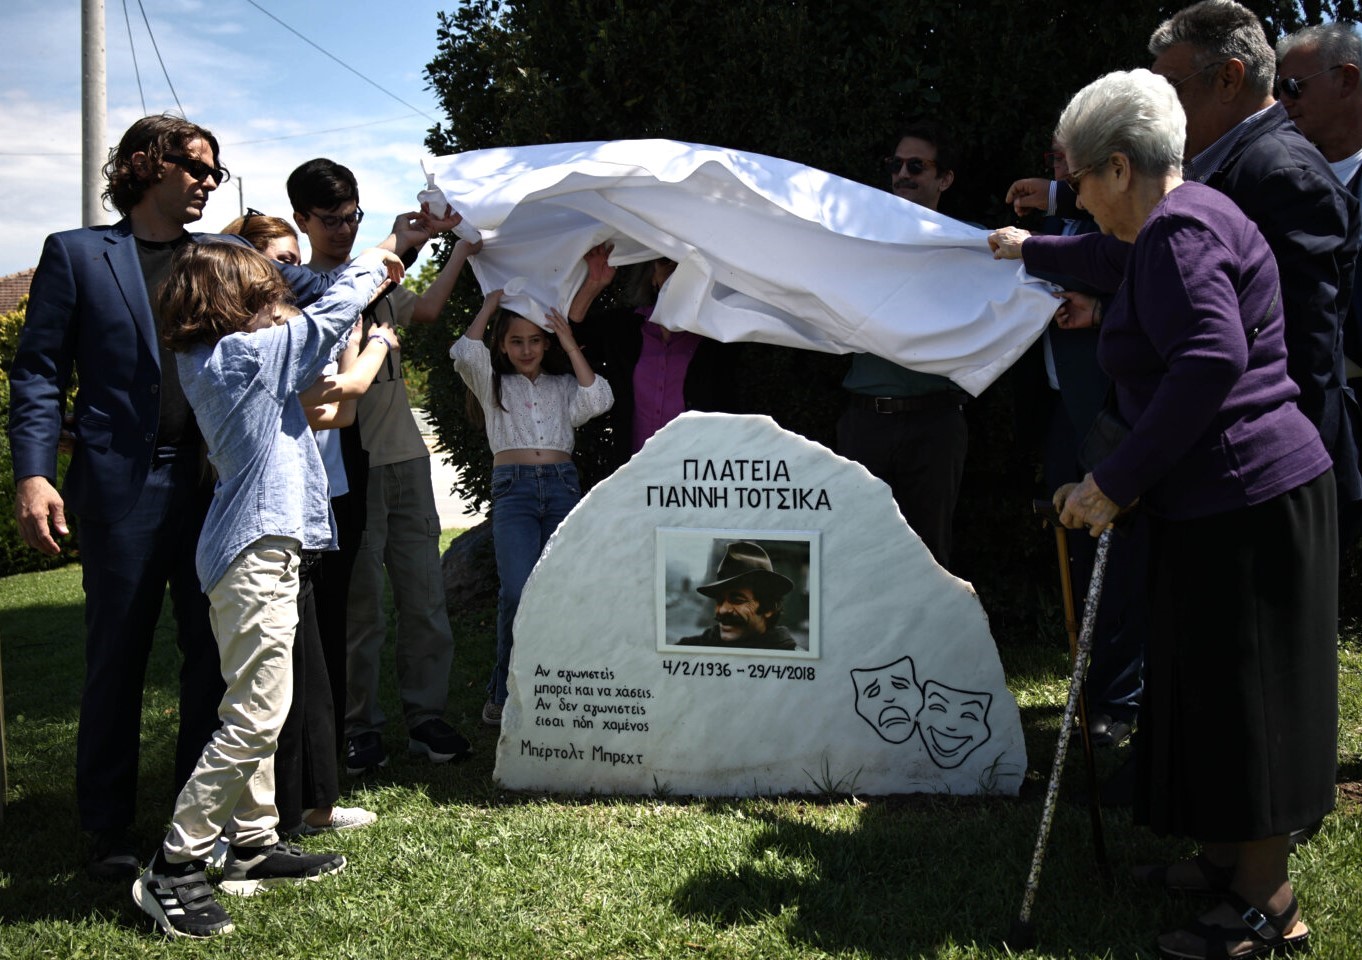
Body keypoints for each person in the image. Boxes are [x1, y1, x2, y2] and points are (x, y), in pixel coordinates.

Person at [990, 68, 1333, 960]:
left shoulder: (1177, 234)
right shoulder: (1182, 219)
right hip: (1228, 497)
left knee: (1245, 699)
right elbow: (1108, 259)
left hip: (1246, 499)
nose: (1078, 202)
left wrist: (1113, 481)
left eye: (1080, 182)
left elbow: (1210, 359)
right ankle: (1226, 863)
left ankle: (1268, 907)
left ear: (1116, 167)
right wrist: (1026, 248)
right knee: (1208, 691)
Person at [134, 240, 404, 938]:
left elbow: (312, 301)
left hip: (253, 553)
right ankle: (175, 863)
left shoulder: (225, 354)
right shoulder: (245, 357)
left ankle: (252, 844)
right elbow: (332, 312)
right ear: (232, 306)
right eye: (262, 294)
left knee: (254, 701)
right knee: (257, 712)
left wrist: (284, 271)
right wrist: (378, 262)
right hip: (254, 556)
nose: (277, 302)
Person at [8, 114, 233, 880]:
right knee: (117, 658)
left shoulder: (220, 259)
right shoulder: (77, 255)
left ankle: (194, 819)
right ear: (146, 164)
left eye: (214, 173)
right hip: (120, 489)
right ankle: (106, 832)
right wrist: (34, 473)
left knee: (212, 655)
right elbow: (38, 371)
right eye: (196, 167)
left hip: (213, 487)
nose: (208, 181)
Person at [286, 158, 479, 773]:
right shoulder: (300, 291)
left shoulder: (381, 282)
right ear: (301, 220)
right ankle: (358, 726)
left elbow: (423, 312)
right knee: (361, 607)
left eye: (353, 217)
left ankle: (426, 718)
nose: (343, 230)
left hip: (407, 461)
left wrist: (461, 251)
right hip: (350, 473)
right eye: (330, 220)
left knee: (424, 598)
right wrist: (392, 242)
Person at [223, 210, 390, 835]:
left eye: (295, 261)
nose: (292, 273)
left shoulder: (292, 331)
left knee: (313, 669)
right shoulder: (248, 346)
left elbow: (340, 411)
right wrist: (372, 345)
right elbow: (330, 400)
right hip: (265, 525)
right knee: (268, 688)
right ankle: (262, 821)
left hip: (310, 516)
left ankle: (315, 805)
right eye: (279, 263)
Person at [452, 290, 613, 726]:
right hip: (515, 491)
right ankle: (503, 691)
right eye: (516, 341)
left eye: (535, 341)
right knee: (517, 591)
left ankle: (557, 687)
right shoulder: (492, 386)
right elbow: (465, 351)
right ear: (502, 346)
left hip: (562, 488)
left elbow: (598, 400)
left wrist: (568, 340)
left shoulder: (562, 388)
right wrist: (488, 306)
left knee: (560, 590)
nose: (526, 349)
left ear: (546, 345)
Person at [837, 123, 970, 569]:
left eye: (917, 165)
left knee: (928, 561)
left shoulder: (971, 247)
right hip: (864, 421)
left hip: (934, 425)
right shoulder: (854, 237)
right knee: (859, 553)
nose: (902, 174)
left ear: (944, 178)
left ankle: (930, 642)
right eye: (896, 165)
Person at [566, 242, 741, 481]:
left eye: (683, 266)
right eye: (665, 261)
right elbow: (571, 339)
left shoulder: (716, 336)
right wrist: (594, 283)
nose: (674, 271)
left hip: (695, 479)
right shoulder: (625, 329)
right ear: (651, 277)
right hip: (634, 475)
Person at [675, 541, 797, 651]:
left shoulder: (789, 657)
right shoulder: (694, 647)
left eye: (737, 600)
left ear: (769, 608)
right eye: (719, 600)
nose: (722, 610)